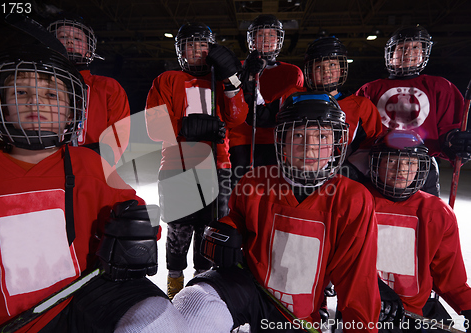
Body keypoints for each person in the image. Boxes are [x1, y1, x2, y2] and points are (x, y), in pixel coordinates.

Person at [0, 45, 186, 332]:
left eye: (51, 94)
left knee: (158, 320)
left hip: (89, 297)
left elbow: (138, 215)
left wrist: (137, 230)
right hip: (15, 322)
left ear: (71, 110)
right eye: (21, 92)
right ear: (0, 103)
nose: (37, 103)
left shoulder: (87, 163)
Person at [172, 92, 381, 332]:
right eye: (299, 135)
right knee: (194, 305)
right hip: (250, 289)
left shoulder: (353, 199)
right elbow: (241, 219)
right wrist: (227, 228)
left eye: (322, 136)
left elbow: (358, 282)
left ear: (336, 143)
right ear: (282, 141)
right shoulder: (254, 181)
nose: (310, 148)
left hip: (301, 314)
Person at [145, 22, 248, 299]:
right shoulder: (167, 80)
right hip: (177, 166)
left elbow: (238, 117)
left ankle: (201, 289)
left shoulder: (222, 79)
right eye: (191, 45)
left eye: (203, 45)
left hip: (218, 166)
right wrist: (189, 128)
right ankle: (174, 287)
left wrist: (232, 81)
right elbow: (155, 128)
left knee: (209, 230)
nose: (198, 51)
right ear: (181, 51)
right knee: (179, 230)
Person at [367, 129, 471, 332]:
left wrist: (468, 306)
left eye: (410, 162)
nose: (401, 170)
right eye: (391, 161)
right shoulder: (357, 202)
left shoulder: (437, 212)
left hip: (413, 314)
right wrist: (372, 287)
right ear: (376, 164)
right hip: (364, 309)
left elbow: (450, 277)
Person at [356, 25, 471, 197]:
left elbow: (448, 128)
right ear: (391, 53)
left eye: (416, 47)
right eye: (402, 48)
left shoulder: (441, 87)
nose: (409, 52)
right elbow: (360, 133)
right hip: (378, 165)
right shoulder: (370, 89)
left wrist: (454, 141)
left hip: (422, 167)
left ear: (423, 53)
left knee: (426, 218)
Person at [282, 36, 383, 182]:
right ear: (309, 72)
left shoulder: (362, 106)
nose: (326, 71)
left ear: (341, 70)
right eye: (318, 67)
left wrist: (350, 170)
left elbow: (371, 145)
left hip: (343, 178)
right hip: (298, 174)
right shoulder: (294, 98)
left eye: (332, 65)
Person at [229, 14, 304, 187]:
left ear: (279, 40)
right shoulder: (237, 68)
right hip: (241, 140)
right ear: (252, 40)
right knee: (240, 191)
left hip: (275, 142)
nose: (267, 40)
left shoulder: (292, 72)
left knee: (271, 192)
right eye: (261, 35)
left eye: (272, 35)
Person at [47, 15, 131, 165]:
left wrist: (94, 160)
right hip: (47, 167)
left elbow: (119, 135)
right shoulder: (36, 83)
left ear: (88, 49)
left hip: (91, 169)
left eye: (78, 39)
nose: (70, 41)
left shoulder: (107, 87)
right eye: (62, 36)